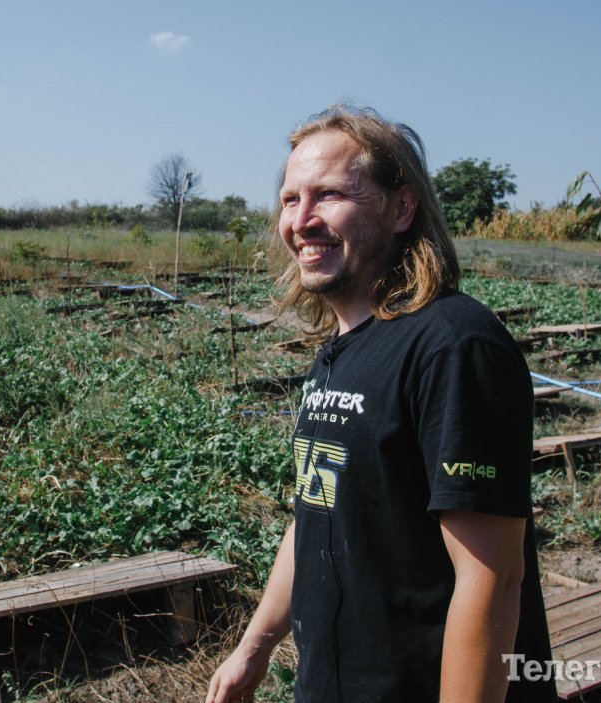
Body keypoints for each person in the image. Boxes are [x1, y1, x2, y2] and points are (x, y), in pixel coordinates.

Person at [206, 105, 556, 703]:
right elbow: (315, 510)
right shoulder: (339, 353)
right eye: (290, 200)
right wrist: (254, 647)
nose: (301, 221)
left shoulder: (453, 345)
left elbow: (493, 582)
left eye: (329, 195)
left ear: (401, 208)